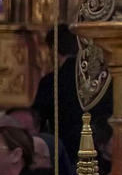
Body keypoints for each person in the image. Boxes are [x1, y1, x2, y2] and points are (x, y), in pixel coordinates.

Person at [30, 24, 113, 163]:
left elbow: (36, 119)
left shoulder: (52, 81)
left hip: (68, 153)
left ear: (53, 50)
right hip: (104, 151)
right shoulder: (103, 78)